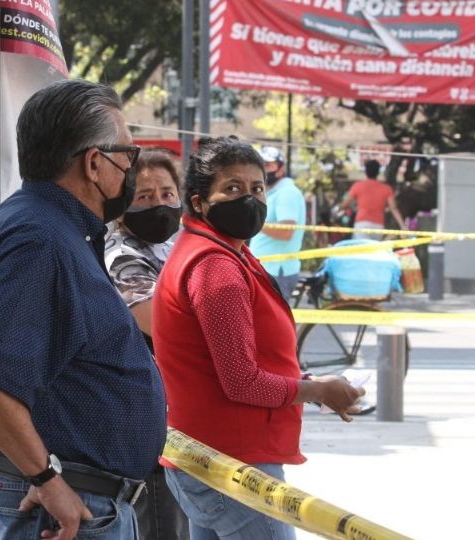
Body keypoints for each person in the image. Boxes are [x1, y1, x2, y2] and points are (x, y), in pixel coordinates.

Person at [0, 79, 166, 540]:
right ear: (94, 163)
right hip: (57, 508)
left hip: (74, 502)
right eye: (127, 155)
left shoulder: (58, 232)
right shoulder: (41, 240)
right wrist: (46, 480)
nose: (132, 167)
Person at [152, 136, 364, 540]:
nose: (249, 199)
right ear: (199, 202)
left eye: (257, 188)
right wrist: (318, 391)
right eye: (232, 188)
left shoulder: (224, 253)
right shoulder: (216, 267)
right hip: (236, 465)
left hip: (209, 457)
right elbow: (241, 381)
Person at [103, 148, 190, 540]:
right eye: (145, 196)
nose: (159, 204)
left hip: (181, 418)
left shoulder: (174, 247)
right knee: (160, 524)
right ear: (123, 204)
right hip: (151, 420)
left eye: (167, 194)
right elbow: (159, 323)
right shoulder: (122, 254)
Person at [249, 145, 306, 301]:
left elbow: (286, 232)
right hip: (268, 268)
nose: (263, 169)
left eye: (268, 165)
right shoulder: (274, 192)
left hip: (276, 271)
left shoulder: (286, 193)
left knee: (270, 323)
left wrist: (255, 222)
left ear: (281, 169)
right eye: (261, 165)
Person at [339, 159, 405, 240]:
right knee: (373, 251)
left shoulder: (358, 186)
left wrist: (339, 208)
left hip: (362, 224)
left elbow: (345, 204)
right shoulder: (386, 189)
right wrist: (402, 225)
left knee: (361, 250)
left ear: (366, 171)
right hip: (378, 226)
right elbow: (393, 208)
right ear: (378, 172)